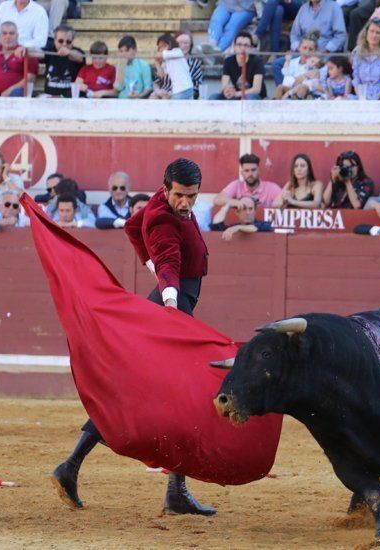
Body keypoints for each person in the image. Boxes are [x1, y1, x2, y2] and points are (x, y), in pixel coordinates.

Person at [51, 158, 217, 517]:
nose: (186, 203)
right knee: (188, 396)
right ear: (165, 187)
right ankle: (175, 490)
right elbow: (170, 263)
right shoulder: (162, 217)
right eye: (179, 196)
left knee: (129, 393)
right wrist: (171, 303)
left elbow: (130, 226)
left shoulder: (159, 202)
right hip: (173, 309)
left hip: (171, 306)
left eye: (192, 196)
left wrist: (149, 264)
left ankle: (73, 467)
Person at [213, 153, 283, 209]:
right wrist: (236, 202)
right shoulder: (237, 185)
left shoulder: (271, 188)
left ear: (259, 171)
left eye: (253, 170)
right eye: (246, 171)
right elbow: (217, 200)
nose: (250, 174)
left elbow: (284, 202)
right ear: (242, 173)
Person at [211, 31, 267, 100]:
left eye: (246, 45)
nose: (242, 48)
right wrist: (227, 91)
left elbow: (256, 89)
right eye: (239, 45)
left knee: (249, 97)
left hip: (255, 97)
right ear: (234, 47)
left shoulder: (257, 61)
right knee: (214, 97)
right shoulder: (228, 61)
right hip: (236, 96)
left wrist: (236, 93)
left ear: (251, 48)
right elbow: (223, 86)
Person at [34, 25, 85, 98]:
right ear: (54, 40)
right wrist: (25, 49)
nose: (64, 44)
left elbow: (80, 57)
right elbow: (38, 53)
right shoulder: (51, 50)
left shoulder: (77, 52)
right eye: (60, 41)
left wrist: (69, 52)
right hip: (50, 96)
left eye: (68, 42)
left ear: (72, 42)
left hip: (69, 97)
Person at [273, 33, 322, 100]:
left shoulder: (316, 64)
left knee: (302, 87)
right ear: (299, 48)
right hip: (291, 88)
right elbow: (286, 79)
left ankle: (296, 106)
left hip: (308, 93)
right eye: (304, 48)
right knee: (280, 87)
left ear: (315, 51)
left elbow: (313, 84)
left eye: (311, 49)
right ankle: (275, 107)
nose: (307, 52)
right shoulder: (292, 62)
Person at [152, 33, 195, 100]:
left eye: (161, 47)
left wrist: (156, 57)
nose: (160, 49)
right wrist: (156, 62)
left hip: (182, 89)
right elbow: (162, 75)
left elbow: (158, 55)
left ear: (168, 45)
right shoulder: (167, 59)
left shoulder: (177, 51)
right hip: (181, 90)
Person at [210, 196, 274, 241]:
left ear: (254, 211)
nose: (248, 212)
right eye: (244, 208)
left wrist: (237, 228)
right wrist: (227, 206)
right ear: (237, 212)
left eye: (250, 209)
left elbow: (254, 228)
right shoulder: (233, 228)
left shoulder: (264, 225)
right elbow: (216, 225)